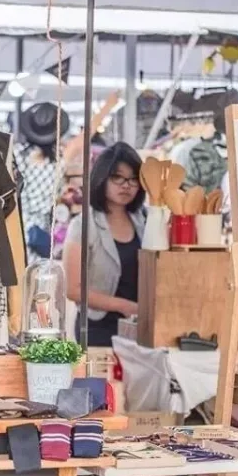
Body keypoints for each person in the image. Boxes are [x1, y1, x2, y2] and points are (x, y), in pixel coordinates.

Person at [63, 142, 145, 347]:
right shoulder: (83, 225)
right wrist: (124, 306)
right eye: (117, 177)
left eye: (133, 178)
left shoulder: (144, 221)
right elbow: (73, 290)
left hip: (141, 327)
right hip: (97, 329)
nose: (126, 185)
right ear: (102, 178)